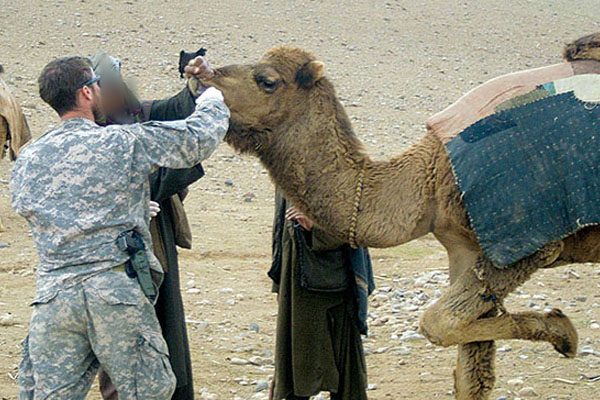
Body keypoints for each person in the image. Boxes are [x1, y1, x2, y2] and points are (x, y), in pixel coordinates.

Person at [11, 56, 228, 399]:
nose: (101, 90)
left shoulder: (29, 158)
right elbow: (196, 139)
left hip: (54, 299)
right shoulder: (119, 142)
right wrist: (213, 98)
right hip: (113, 294)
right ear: (85, 93)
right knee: (149, 390)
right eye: (97, 84)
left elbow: (30, 208)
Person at [90, 51, 206, 400]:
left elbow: (180, 109)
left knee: (163, 318)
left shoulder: (143, 115)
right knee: (120, 329)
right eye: (102, 88)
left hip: (156, 237)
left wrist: (196, 85)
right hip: (112, 252)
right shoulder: (86, 134)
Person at [269, 190, 375, 400]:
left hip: (334, 283)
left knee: (344, 373)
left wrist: (316, 226)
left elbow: (357, 222)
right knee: (295, 368)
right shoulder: (284, 169)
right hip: (295, 281)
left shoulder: (338, 164)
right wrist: (280, 281)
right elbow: (282, 225)